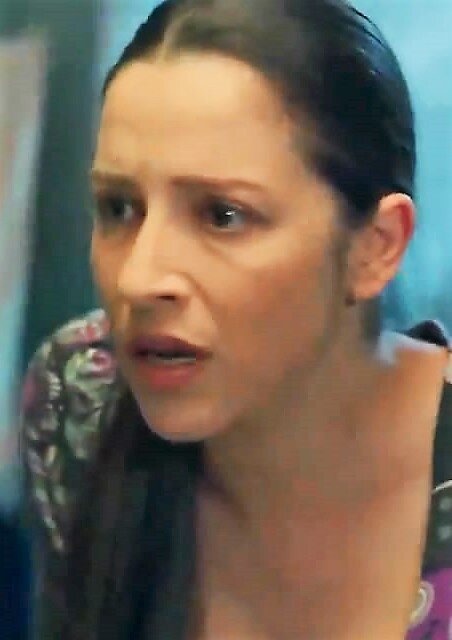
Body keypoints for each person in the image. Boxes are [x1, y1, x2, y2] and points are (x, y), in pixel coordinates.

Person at [20, 1, 452, 638]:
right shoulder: (79, 401)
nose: (139, 278)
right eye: (119, 208)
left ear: (376, 247)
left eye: (222, 216)